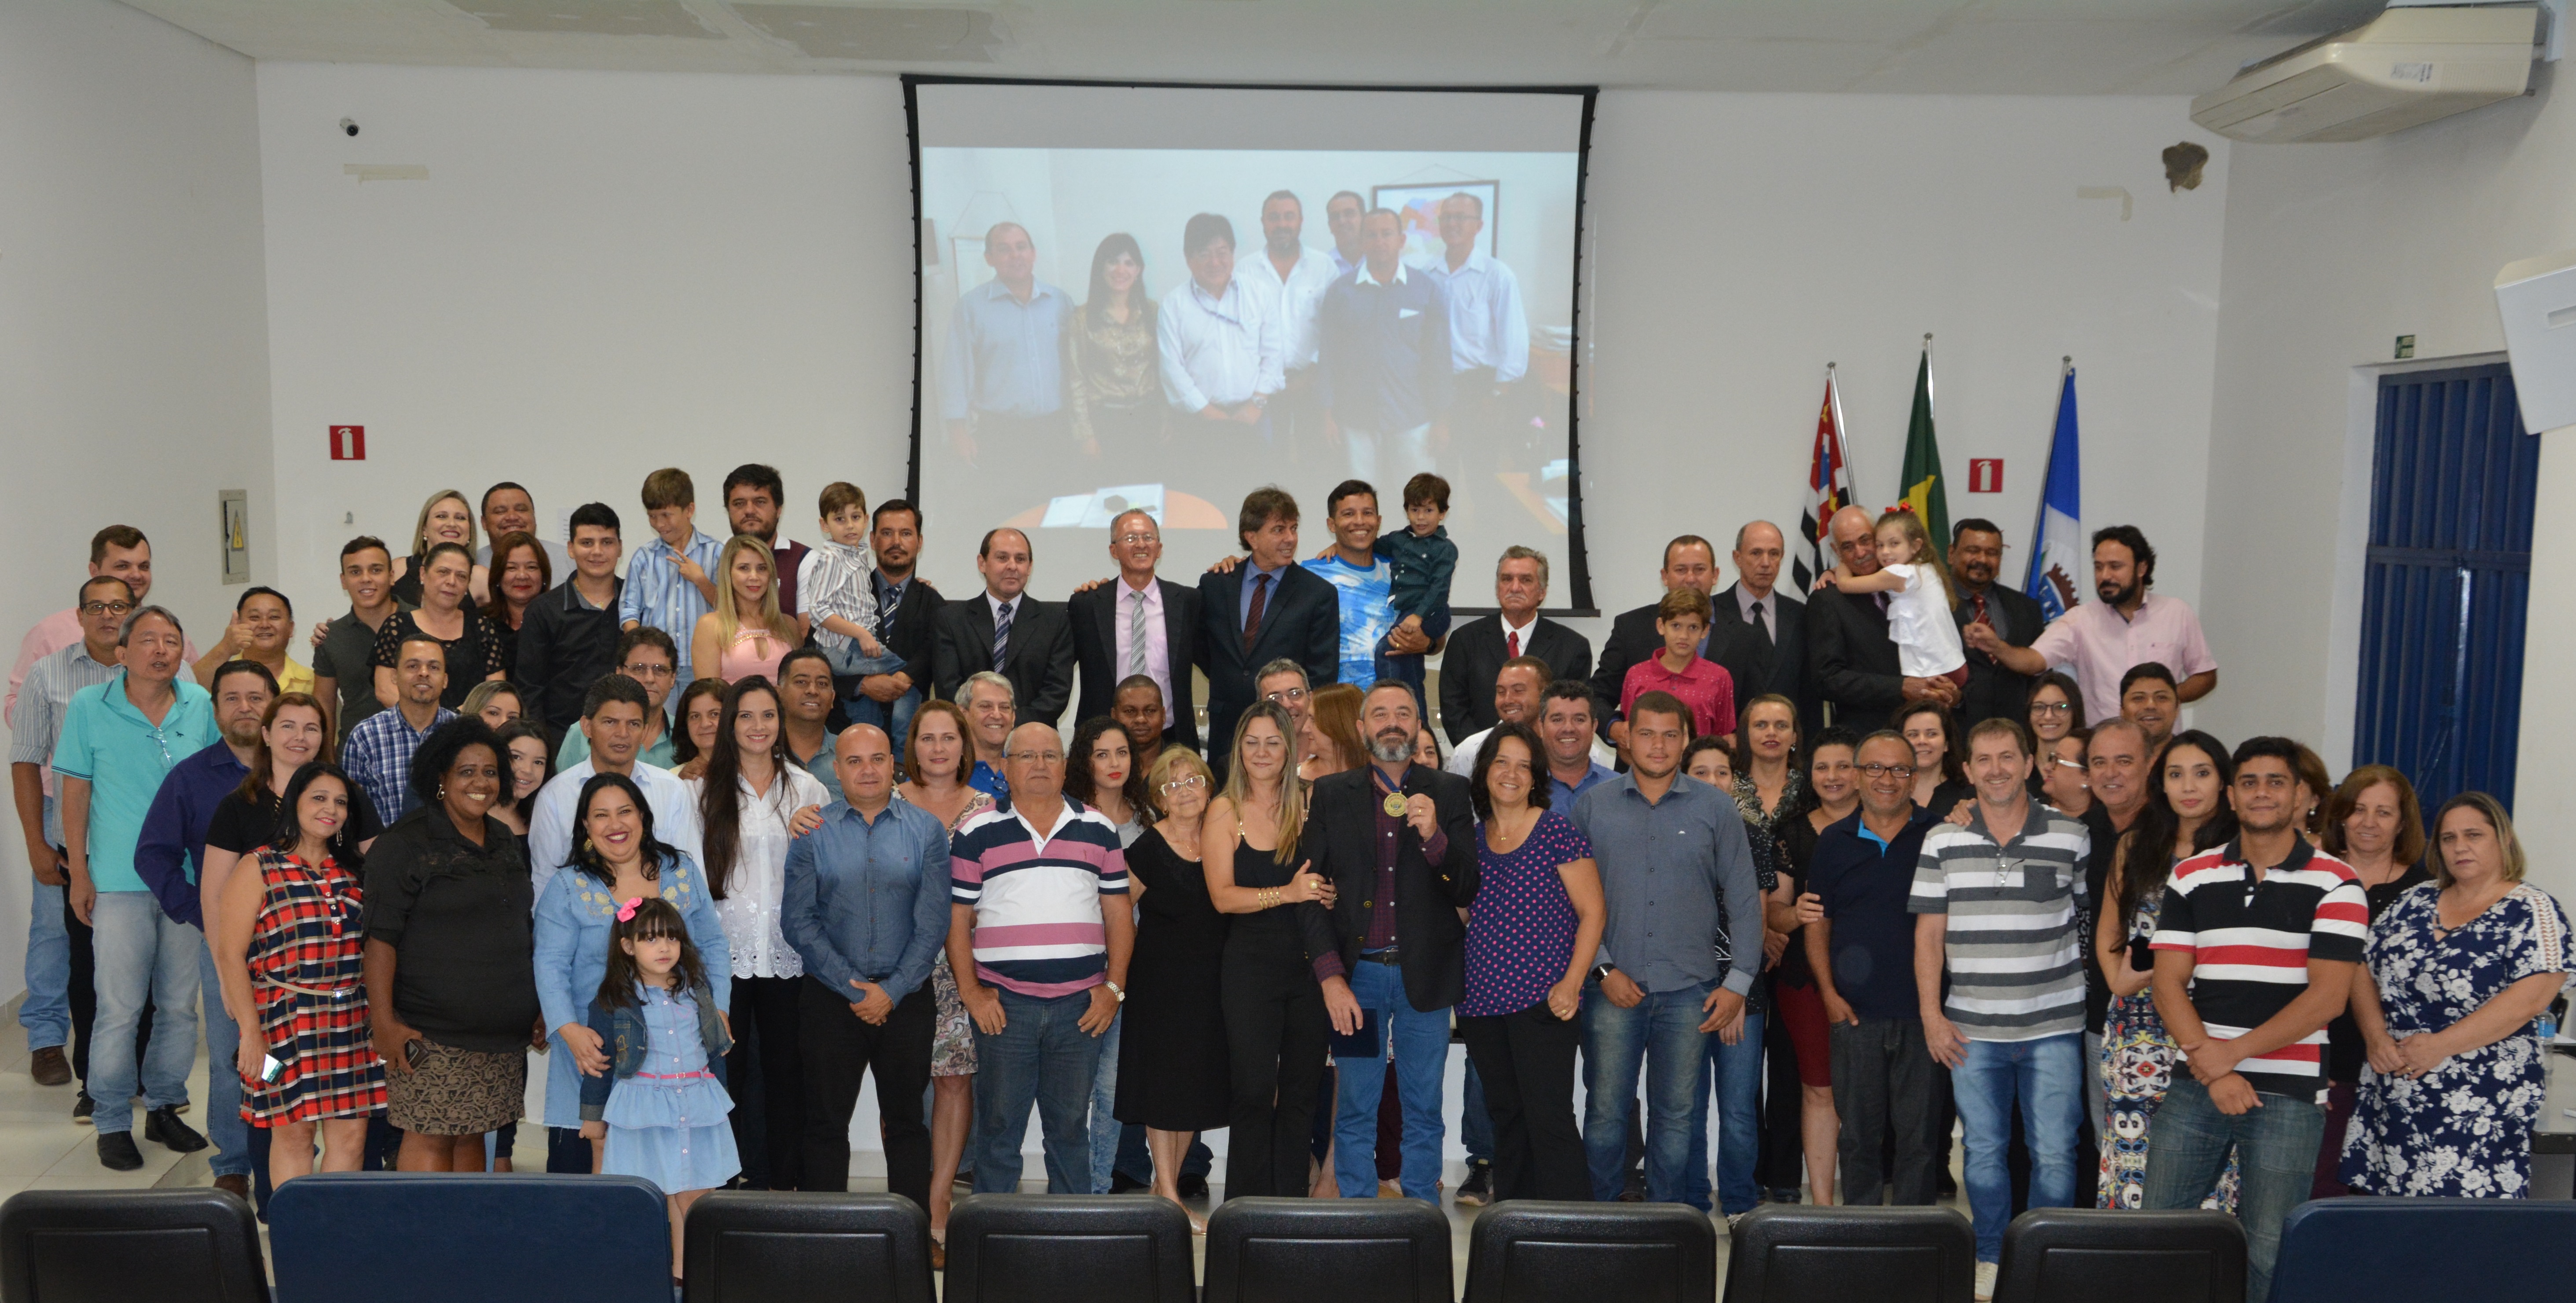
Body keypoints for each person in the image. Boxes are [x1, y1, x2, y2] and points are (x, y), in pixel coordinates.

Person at [2140, 737, 2363, 1303]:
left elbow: (2327, 999)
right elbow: (2167, 983)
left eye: (2274, 781)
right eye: (2248, 782)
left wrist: (2229, 1055)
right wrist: (2214, 1067)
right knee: (2157, 1237)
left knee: (2270, 1249)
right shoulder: (2190, 875)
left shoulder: (2337, 883)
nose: (2261, 792)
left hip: (2288, 1094)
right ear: (2231, 797)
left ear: (2299, 798)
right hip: (2197, 1084)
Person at [1912, 717, 2090, 1293]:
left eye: (2006, 756)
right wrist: (1931, 1017)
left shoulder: (2070, 835)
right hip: (1971, 1029)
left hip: (2053, 1026)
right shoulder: (1942, 839)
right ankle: (1989, 1253)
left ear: (2028, 762)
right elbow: (1927, 939)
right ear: (1965, 770)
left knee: (2055, 1155)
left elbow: (2086, 924)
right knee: (1983, 1155)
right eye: (1982, 759)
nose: (1995, 769)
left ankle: (2047, 1261)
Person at [1573, 690, 1763, 1208]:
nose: (1657, 745)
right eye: (1647, 733)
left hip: (1691, 992)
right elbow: (1569, 902)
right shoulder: (1593, 806)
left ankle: (1665, 1223)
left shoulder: (1716, 807)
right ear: (1626, 738)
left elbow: (1745, 901)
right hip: (1612, 987)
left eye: (1670, 734)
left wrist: (1737, 985)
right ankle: (1600, 1219)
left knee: (1677, 1118)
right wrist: (1600, 969)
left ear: (1684, 740)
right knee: (1606, 1113)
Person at [2342, 793, 2571, 1197]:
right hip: (2393, 1092)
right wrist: (2374, 1035)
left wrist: (2440, 1046)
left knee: (2463, 1236)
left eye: (2473, 835)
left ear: (2502, 840)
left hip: (2480, 1102)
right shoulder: (2414, 900)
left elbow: (2532, 998)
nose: (2459, 847)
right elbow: (2360, 965)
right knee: (2387, 1232)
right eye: (2447, 839)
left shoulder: (2533, 910)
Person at [54, 605, 215, 1170]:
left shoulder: (200, 704)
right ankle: (112, 1118)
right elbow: (74, 793)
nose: (162, 650)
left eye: (172, 640)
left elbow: (220, 782)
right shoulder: (87, 707)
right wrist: (79, 871)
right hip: (118, 880)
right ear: (121, 653)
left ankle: (166, 1104)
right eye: (148, 640)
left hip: (188, 882)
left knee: (177, 1006)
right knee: (119, 1006)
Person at [948, 723, 1135, 1195]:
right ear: (1006, 767)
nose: (1039, 766)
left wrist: (1113, 990)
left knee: (1070, 1129)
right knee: (997, 1128)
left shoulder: (1099, 828)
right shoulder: (975, 832)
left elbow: (1119, 917)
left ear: (1064, 764)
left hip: (1081, 1008)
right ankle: (989, 1243)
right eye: (1026, 756)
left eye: (1050, 756)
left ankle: (1069, 1242)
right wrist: (971, 992)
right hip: (1004, 1007)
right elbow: (955, 921)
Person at [1310, 682, 1477, 1201]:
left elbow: (1467, 885)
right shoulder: (1332, 793)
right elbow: (1310, 894)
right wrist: (1330, 976)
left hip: (1423, 977)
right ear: (1361, 728)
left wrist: (1434, 838)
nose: (1391, 722)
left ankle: (1423, 1216)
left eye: (1402, 713)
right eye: (1379, 713)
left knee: (1423, 1105)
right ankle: (1358, 1219)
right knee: (1356, 1105)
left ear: (1417, 724)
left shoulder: (1448, 792)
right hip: (1356, 980)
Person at [775, 722, 948, 1208]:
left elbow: (932, 923)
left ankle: (909, 1236)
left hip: (907, 998)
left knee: (907, 1123)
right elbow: (798, 921)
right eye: (854, 761)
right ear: (837, 769)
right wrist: (855, 989)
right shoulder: (813, 832)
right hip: (831, 1000)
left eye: (876, 758)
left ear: (893, 763)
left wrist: (890, 991)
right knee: (825, 1123)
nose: (866, 770)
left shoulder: (926, 830)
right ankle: (823, 1238)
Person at [362, 717, 540, 1171]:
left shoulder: (502, 839)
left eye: (490, 771)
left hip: (499, 1037)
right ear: (440, 778)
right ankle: (424, 1244)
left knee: (471, 1138)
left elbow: (519, 925)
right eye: (466, 771)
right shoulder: (404, 843)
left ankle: (464, 1243)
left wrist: (536, 1004)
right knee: (432, 1138)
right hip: (431, 1032)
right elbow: (379, 939)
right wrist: (383, 1021)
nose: (480, 782)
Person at [131, 660, 278, 1194]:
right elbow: (152, 855)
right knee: (233, 1049)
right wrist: (201, 913)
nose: (244, 707)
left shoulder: (300, 771)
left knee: (291, 1050)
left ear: (274, 705)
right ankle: (234, 1163)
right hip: (226, 948)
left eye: (256, 697)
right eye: (232, 698)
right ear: (214, 710)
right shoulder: (190, 778)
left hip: (302, 947)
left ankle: (288, 1149)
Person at [537, 772, 731, 1174]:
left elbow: (712, 945)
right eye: (601, 815)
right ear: (586, 827)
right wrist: (569, 1031)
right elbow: (550, 964)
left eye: (625, 811)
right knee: (593, 1169)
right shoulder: (568, 885)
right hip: (596, 1046)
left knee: (679, 1171)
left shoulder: (681, 871)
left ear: (643, 816)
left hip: (678, 1049)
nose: (616, 825)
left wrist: (720, 1010)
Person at [210, 760, 385, 1191]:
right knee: (293, 1132)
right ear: (294, 804)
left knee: (352, 1135)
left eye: (341, 802)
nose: (332, 809)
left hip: (352, 1023)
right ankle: (296, 1243)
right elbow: (230, 953)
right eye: (319, 798)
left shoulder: (357, 870)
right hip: (280, 1024)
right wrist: (250, 1031)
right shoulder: (259, 866)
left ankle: (334, 1241)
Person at [689, 676, 827, 1192]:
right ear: (729, 724)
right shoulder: (700, 790)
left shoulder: (807, 787)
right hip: (723, 957)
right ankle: (726, 1183)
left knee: (786, 1075)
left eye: (767, 715)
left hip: (789, 955)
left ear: (780, 722)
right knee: (730, 1072)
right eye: (745, 716)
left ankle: (781, 1182)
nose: (757, 726)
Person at [2095, 730, 2242, 1211]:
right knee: (2131, 1159)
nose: (2188, 786)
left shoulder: (2242, 851)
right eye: (2175, 774)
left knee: (2209, 1165)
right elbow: (2109, 932)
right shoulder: (2137, 844)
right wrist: (2120, 979)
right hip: (2135, 1028)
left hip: (2212, 1025)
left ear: (2223, 782)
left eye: (2201, 772)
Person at [1458, 721, 1603, 1201]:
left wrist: (1572, 983)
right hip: (1482, 1005)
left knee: (1549, 1119)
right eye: (1502, 762)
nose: (1511, 774)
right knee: (1508, 1120)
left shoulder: (1555, 830)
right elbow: (1463, 914)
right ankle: (1515, 1230)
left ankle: (1574, 1236)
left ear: (1536, 776)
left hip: (1545, 1001)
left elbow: (1592, 911)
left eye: (1524, 765)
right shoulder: (1472, 841)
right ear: (1484, 772)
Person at [1201, 702, 1340, 1197]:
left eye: (1272, 742)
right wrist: (1286, 894)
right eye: (1251, 742)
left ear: (1289, 748)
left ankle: (1288, 1210)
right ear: (1238, 748)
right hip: (1249, 969)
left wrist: (1329, 893)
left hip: (1309, 969)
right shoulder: (1223, 809)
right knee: (1255, 1091)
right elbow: (1221, 896)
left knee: (1302, 1093)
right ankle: (1243, 1209)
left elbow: (1328, 878)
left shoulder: (1312, 802)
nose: (1261, 752)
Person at [9, 576, 136, 1098]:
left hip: (141, 844)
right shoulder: (48, 674)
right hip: (76, 844)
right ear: (80, 614)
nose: (108, 615)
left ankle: (148, 1082)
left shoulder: (155, 667)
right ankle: (95, 1081)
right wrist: (37, 842)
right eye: (97, 607)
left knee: (143, 971)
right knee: (85, 964)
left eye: (119, 606)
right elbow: (25, 760)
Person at [1806, 731, 1942, 1206]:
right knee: (1858, 1138)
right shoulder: (1832, 842)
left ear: (1914, 776)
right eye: (1875, 769)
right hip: (1853, 1015)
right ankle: (1859, 1238)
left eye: (1899, 769)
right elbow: (1818, 923)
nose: (1887, 779)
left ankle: (1915, 1238)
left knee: (1919, 1141)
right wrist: (1827, 991)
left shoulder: (1941, 836)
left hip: (1923, 1016)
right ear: (1858, 776)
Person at [579, 896, 739, 1283]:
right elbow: (600, 1065)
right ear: (628, 946)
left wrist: (720, 1099)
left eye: (671, 938)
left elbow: (715, 1051)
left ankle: (690, 1272)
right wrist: (592, 1118)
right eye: (650, 939)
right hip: (645, 1108)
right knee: (658, 1194)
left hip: (697, 1102)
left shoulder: (697, 992)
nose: (664, 947)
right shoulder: (612, 1002)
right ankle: (650, 1272)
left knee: (695, 1195)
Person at [891, 700, 993, 1247]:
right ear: (914, 746)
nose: (937, 748)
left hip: (963, 964)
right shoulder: (884, 800)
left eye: (948, 738)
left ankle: (937, 1198)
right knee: (900, 1084)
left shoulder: (988, 809)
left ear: (963, 745)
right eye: (927, 738)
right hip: (896, 961)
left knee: (953, 1078)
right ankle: (902, 1198)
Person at [1678, 735, 1793, 1220]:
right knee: (1683, 1107)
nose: (1711, 782)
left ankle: (1741, 1201)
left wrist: (1735, 992)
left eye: (1721, 772)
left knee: (1739, 1109)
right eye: (1700, 772)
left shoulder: (1754, 837)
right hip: (1683, 990)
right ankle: (1689, 1201)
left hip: (1741, 991)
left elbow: (1755, 921)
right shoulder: (1670, 831)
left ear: (1735, 780)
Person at [1116, 746, 1229, 1225]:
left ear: (1208, 785)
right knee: (1162, 1089)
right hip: (1159, 985)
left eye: (1192, 780)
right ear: (1159, 800)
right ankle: (1166, 1193)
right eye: (1171, 785)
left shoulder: (1222, 839)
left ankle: (1169, 1187)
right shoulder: (1146, 848)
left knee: (1190, 1091)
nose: (1184, 792)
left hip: (1211, 987)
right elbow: (1117, 913)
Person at [2312, 765, 2430, 1198]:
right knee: (2316, 1195)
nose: (2367, 822)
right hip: (2319, 1067)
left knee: (2380, 1204)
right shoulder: (2312, 879)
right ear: (2340, 815)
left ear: (2401, 823)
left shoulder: (2426, 892)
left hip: (2395, 1070)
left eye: (2383, 812)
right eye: (2358, 809)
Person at [1737, 696, 1837, 1205]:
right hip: (1744, 942)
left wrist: (1780, 927)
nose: (1771, 733)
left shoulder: (1814, 784)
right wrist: (1763, 928)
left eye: (1781, 724)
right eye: (1760, 724)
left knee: (1789, 1064)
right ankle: (1746, 1173)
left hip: (1802, 948)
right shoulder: (1726, 787)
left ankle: (1782, 1173)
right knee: (1744, 1065)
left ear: (1796, 733)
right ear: (1745, 731)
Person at [1968, 526, 2217, 724]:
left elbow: (2205, 675)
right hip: (2103, 752)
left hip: (2164, 749)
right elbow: (2034, 661)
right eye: (2099, 567)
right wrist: (1998, 647)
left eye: (2115, 567)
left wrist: (2163, 701)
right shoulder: (2081, 620)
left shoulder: (2177, 613)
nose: (2105, 576)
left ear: (2142, 568)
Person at [1064, 717, 1152, 1194]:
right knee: (1074, 1090)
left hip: (1132, 972)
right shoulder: (1068, 816)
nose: (1114, 763)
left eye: (1122, 753)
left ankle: (1097, 1189)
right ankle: (1073, 1187)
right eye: (1102, 754)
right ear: (1085, 760)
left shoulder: (1147, 819)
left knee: (1112, 1085)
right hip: (1076, 966)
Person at [1199, 487, 1340, 782]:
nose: (1290, 538)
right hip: (1227, 731)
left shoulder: (1317, 594)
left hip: (1286, 734)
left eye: (1293, 528)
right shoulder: (1215, 584)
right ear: (1251, 537)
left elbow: (1322, 673)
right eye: (1278, 530)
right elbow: (1201, 648)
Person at [528, 675, 704, 906]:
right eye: (610, 722)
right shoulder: (556, 796)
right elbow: (545, 883)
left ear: (644, 731)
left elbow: (691, 873)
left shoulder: (671, 790)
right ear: (587, 727)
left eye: (633, 724)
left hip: (660, 931)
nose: (622, 734)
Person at [1316, 207, 1451, 485]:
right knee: (1360, 504)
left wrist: (1443, 419)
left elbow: (1439, 359)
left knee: (1419, 501)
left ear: (1402, 240)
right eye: (1372, 235)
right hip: (1356, 418)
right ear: (1363, 242)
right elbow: (1328, 358)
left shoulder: (1426, 289)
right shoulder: (1341, 292)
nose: (1380, 241)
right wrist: (1327, 415)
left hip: (1413, 416)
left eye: (1387, 234)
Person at [9, 526, 197, 717]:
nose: (136, 575)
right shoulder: (50, 633)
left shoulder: (169, 634)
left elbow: (193, 698)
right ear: (94, 571)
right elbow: (17, 706)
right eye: (123, 566)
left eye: (144, 567)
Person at [942, 223, 1074, 473]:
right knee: (1011, 510)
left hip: (1057, 430)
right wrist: (957, 433)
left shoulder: (1060, 302)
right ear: (989, 258)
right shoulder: (971, 307)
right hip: (1002, 435)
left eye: (1021, 247)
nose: (1016, 256)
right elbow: (955, 373)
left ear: (1033, 253)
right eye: (1004, 249)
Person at [1068, 511, 1201, 755]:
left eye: (1148, 538)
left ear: (1159, 548)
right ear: (1113, 550)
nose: (1141, 544)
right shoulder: (1087, 605)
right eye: (1130, 538)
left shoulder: (1187, 602)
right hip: (1102, 740)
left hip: (1172, 740)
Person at [1810, 506, 1957, 727]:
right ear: (1836, 551)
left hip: (1929, 728)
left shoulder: (1913, 579)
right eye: (1848, 547)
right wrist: (1900, 688)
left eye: (1866, 540)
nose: (1860, 553)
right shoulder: (1828, 600)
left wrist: (1953, 694)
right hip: (1870, 733)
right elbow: (1828, 680)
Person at [1442, 545, 1593, 746]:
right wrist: (1485, 755)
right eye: (1507, 579)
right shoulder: (1464, 640)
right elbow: (1454, 711)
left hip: (1548, 762)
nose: (1515, 588)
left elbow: (1572, 715)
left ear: (1542, 592)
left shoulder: (1573, 648)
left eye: (1526, 580)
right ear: (1498, 589)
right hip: (1481, 760)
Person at [1158, 213, 1283, 440]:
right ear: (1188, 258)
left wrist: (1256, 405)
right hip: (1197, 420)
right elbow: (1172, 369)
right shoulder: (1173, 305)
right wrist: (1207, 412)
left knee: (1261, 476)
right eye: (1204, 254)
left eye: (1222, 252)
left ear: (1233, 253)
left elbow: (1273, 354)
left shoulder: (1259, 293)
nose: (1215, 262)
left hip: (1254, 416)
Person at [1590, 536, 1723, 747]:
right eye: (1681, 570)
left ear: (1715, 575)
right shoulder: (1630, 627)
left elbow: (1752, 710)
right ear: (1665, 576)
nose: (1690, 579)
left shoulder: (1745, 635)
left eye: (1699, 569)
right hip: (1637, 768)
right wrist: (1616, 729)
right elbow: (1597, 696)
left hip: (1707, 771)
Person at [932, 528, 1074, 726]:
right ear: (982, 563)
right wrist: (984, 725)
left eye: (1021, 559)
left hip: (1031, 738)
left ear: (1030, 567)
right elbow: (949, 689)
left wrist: (1009, 723)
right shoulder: (952, 619)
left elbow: (1056, 692)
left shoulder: (1055, 621)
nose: (1012, 566)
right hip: (970, 737)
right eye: (1002, 558)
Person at [1422, 191, 1528, 453]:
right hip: (1435, 388)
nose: (1452, 224)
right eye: (1446, 218)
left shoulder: (1497, 276)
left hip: (1480, 389)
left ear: (1478, 226)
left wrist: (1497, 397)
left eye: (1460, 217)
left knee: (1481, 476)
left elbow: (1513, 343)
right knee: (1437, 479)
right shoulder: (1426, 275)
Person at [1235, 192, 1337, 461]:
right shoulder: (1244, 270)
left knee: (1315, 460)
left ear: (1301, 221)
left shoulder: (1323, 266)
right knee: (1269, 463)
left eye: (1289, 217)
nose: (1282, 224)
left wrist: (1313, 372)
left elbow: (1335, 329)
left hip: (1312, 383)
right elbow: (1241, 333)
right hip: (1263, 390)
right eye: (1274, 217)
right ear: (1263, 222)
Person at [516, 504, 626, 743]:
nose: (597, 552)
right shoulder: (544, 610)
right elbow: (530, 689)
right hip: (561, 742)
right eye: (587, 543)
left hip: (628, 740)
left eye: (607, 542)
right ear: (571, 549)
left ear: (620, 548)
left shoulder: (637, 604)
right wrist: (541, 747)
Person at [851, 500, 942, 759]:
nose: (896, 542)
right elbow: (820, 656)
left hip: (913, 746)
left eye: (906, 534)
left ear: (920, 542)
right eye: (887, 533)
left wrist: (906, 677)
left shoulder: (935, 604)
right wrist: (862, 684)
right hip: (850, 731)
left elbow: (935, 654)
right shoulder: (844, 596)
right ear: (872, 539)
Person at [1065, 232, 1165, 464]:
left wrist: (1165, 418)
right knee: (1112, 497)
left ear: (1139, 270)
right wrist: (1085, 435)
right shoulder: (1082, 318)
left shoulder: (1152, 311)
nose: (1121, 270)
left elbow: (1161, 370)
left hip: (1147, 417)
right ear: (1100, 268)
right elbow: (1075, 379)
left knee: (1149, 496)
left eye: (1129, 263)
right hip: (1105, 422)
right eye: (1113, 262)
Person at [619, 468, 725, 688]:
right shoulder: (644, 557)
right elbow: (629, 610)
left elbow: (729, 609)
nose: (659, 525)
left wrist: (701, 581)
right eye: (652, 516)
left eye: (666, 515)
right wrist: (643, 654)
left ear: (690, 510)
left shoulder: (715, 552)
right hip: (655, 669)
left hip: (703, 663)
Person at [800, 482, 906, 696]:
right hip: (845, 649)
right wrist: (861, 634)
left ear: (866, 520)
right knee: (906, 675)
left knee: (867, 711)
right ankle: (904, 730)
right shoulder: (832, 559)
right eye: (840, 519)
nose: (850, 525)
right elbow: (818, 611)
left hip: (851, 646)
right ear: (825, 525)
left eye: (855, 517)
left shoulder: (855, 555)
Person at [371, 542, 505, 711]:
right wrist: (429, 721)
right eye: (443, 572)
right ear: (423, 574)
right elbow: (385, 690)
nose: (451, 582)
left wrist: (454, 721)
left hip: (469, 729)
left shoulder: (483, 628)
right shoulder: (397, 626)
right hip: (410, 730)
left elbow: (494, 692)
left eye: (461, 576)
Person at [1711, 522, 1812, 735]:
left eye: (1774, 554)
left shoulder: (1800, 615)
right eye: (1756, 553)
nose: (1766, 563)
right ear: (1737, 558)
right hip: (1728, 745)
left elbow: (1808, 692)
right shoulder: (1712, 613)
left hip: (1786, 745)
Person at [1301, 482, 1402, 695]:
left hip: (1393, 700)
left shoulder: (1401, 570)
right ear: (1332, 524)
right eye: (1348, 514)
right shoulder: (1309, 575)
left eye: (1368, 513)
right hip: (1333, 705)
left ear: (1379, 521)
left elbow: (1436, 638)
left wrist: (1428, 642)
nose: (1359, 521)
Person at [343, 637, 459, 822]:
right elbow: (351, 812)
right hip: (384, 849)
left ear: (445, 680)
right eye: (413, 666)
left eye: (434, 667)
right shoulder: (366, 736)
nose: (424, 673)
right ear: (394, 676)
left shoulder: (462, 734)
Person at [1370, 473, 1458, 714]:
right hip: (1408, 612)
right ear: (1406, 511)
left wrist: (1418, 616)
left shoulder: (1445, 549)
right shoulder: (1398, 539)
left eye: (1429, 510)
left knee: (1385, 651)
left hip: (1433, 612)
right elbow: (1368, 544)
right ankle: (1419, 725)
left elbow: (1440, 589)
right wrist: (1336, 546)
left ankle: (1387, 708)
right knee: (1409, 666)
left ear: (1442, 513)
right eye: (1415, 509)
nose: (1421, 517)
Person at [1943, 520, 2044, 729]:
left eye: (1992, 553)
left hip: (2016, 735)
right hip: (1953, 736)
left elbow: (2037, 679)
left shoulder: (2027, 608)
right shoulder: (1932, 606)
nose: (1982, 560)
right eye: (1973, 551)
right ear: (1952, 554)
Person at [310, 537, 411, 743]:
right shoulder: (332, 637)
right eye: (355, 572)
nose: (366, 579)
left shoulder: (420, 623)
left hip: (417, 752)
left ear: (392, 576)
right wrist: (327, 763)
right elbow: (324, 706)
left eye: (376, 570)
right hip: (355, 757)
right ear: (343, 581)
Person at [1450, 657, 1615, 780]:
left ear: (1544, 693)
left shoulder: (1583, 750)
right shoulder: (1470, 751)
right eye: (1501, 692)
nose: (1507, 700)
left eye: (1518, 691)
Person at [1617, 587, 1737, 748]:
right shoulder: (1637, 675)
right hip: (1646, 770)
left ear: (1705, 631)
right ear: (1661, 626)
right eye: (1676, 626)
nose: (1684, 636)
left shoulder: (1719, 677)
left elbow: (1723, 740)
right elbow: (1628, 739)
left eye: (1693, 627)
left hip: (1698, 770)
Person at [557, 629, 682, 772]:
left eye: (660, 670)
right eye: (639, 669)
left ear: (673, 678)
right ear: (619, 673)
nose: (650, 679)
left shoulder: (687, 734)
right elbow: (562, 789)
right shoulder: (581, 733)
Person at [693, 535, 799, 688]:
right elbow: (710, 697)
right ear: (728, 573)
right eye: (744, 568)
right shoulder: (710, 626)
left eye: (762, 568)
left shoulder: (789, 625)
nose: (754, 577)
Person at [722, 465, 810, 621]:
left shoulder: (805, 560)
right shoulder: (715, 555)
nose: (749, 511)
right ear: (728, 510)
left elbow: (806, 633)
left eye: (760, 502)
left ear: (778, 510)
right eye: (739, 503)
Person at [192, 588, 312, 695]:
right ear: (238, 625)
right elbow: (186, 692)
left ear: (291, 629)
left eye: (274, 617)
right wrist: (225, 648)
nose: (264, 625)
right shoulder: (219, 676)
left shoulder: (312, 681)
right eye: (255, 617)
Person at [387, 490, 489, 608]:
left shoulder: (480, 577)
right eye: (442, 516)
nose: (452, 524)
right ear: (424, 528)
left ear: (470, 531)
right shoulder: (399, 569)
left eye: (460, 518)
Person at [480, 532, 551, 685]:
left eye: (531, 567)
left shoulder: (557, 622)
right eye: (511, 568)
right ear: (498, 576)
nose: (522, 576)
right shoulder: (481, 623)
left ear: (544, 576)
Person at [473, 482, 574, 578]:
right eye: (500, 511)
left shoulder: (569, 560)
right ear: (484, 523)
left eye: (521, 510)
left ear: (534, 516)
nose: (512, 517)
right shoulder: (473, 564)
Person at [1894, 702, 1973, 816]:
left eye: (1932, 734)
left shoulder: (1968, 798)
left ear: (1947, 744)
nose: (1922, 741)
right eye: (1913, 735)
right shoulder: (1886, 793)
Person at [957, 672, 1015, 798]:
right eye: (985, 706)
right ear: (963, 714)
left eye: (1004, 707)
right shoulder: (945, 770)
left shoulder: (1026, 768)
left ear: (1014, 717)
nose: (997, 715)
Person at [492, 720, 550, 838]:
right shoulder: (476, 814)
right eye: (516, 757)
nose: (528, 770)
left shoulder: (538, 819)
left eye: (538, 762)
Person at [1298, 683, 1364, 784]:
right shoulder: (1292, 778)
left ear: (1338, 724)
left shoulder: (1380, 778)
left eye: (1313, 719)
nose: (1305, 729)